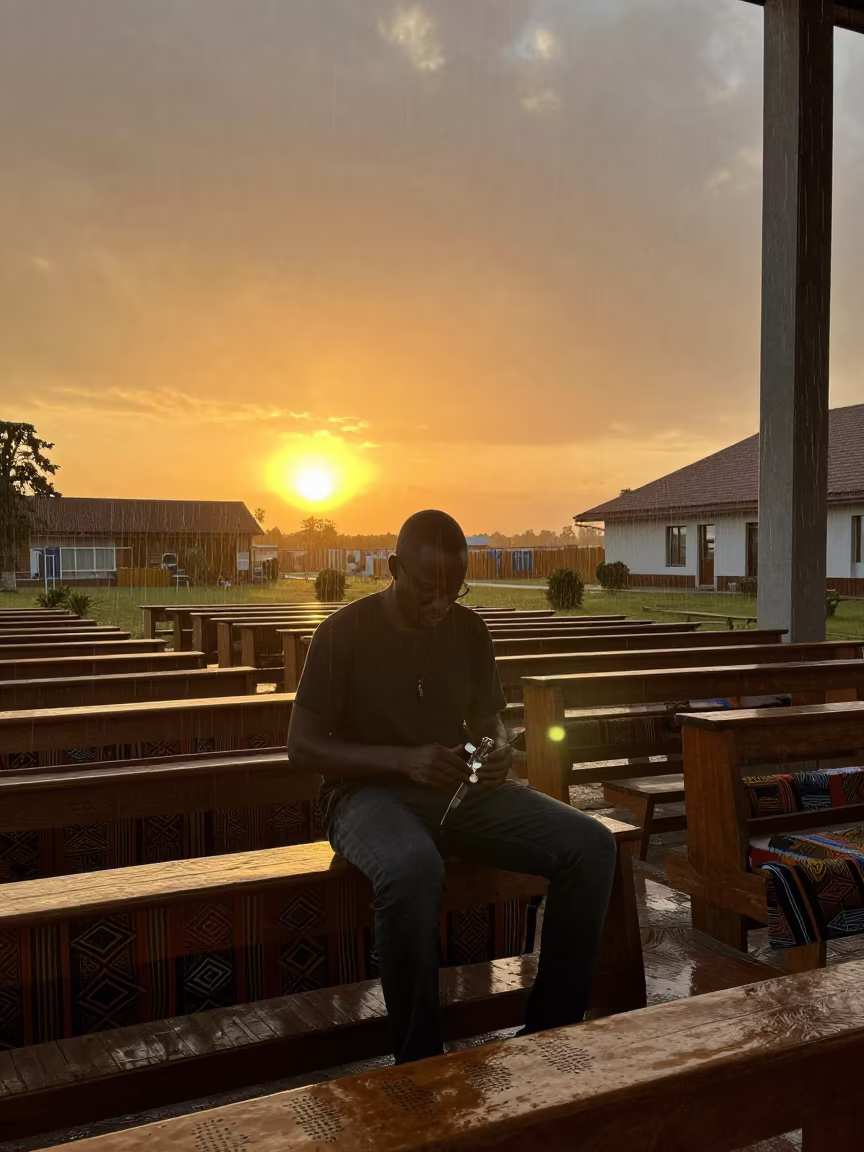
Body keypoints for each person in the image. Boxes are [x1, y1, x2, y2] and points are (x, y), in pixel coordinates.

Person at [287, 509, 617, 1065]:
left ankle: (550, 1033)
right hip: (363, 797)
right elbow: (301, 747)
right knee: (412, 869)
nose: (440, 602)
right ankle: (419, 1063)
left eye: (454, 588)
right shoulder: (342, 633)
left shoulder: (468, 631)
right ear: (393, 568)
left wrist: (499, 749)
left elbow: (488, 721)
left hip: (460, 790)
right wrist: (402, 760)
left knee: (592, 845)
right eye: (426, 587)